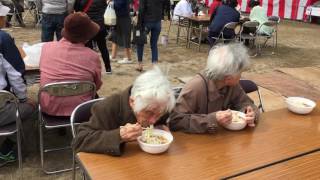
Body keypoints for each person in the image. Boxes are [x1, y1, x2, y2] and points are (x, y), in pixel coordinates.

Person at [73, 66, 176, 155]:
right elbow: (79, 141)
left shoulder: (160, 104)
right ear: (132, 102)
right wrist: (119, 135)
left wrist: (161, 127)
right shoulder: (108, 107)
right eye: (149, 113)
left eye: (159, 114)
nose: (153, 120)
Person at [169, 43, 259, 133]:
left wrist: (250, 113)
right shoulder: (196, 87)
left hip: (222, 140)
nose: (241, 77)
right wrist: (213, 119)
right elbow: (176, 121)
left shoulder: (232, 85)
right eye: (240, 73)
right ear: (228, 78)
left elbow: (246, 103)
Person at [39, 12, 102, 117]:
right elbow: (96, 85)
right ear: (87, 36)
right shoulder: (92, 56)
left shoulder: (46, 48)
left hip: (49, 108)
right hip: (81, 109)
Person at [0, 4, 35, 166]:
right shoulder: (3, 39)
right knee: (31, 108)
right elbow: (15, 74)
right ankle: (8, 150)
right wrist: (22, 99)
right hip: (1, 107)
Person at [74, 0, 112, 74]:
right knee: (103, 47)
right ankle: (108, 68)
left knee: (88, 49)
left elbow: (77, 9)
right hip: (100, 26)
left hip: (88, 26)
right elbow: (105, 7)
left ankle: (91, 69)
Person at [135, 0, 164, 72]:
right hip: (157, 22)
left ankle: (140, 65)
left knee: (140, 43)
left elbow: (141, 10)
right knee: (154, 44)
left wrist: (139, 24)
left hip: (147, 22)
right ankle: (155, 66)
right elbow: (165, 5)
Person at [110, 0, 133, 65]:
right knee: (115, 35)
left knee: (126, 37)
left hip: (124, 18)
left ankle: (128, 58)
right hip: (118, 17)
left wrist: (109, 2)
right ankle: (113, 56)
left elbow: (118, 4)